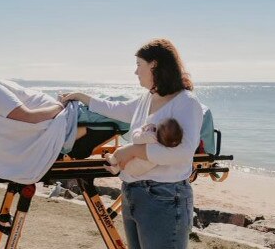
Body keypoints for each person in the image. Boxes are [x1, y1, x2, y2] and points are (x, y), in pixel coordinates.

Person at [61, 38, 203, 248]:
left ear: (154, 64)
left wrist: (133, 150)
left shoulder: (186, 102)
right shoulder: (147, 98)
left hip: (164, 197)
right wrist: (82, 97)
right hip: (133, 192)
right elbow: (116, 108)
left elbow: (183, 152)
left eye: (138, 65)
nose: (135, 72)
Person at [0, 46, 128, 184]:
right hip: (72, 119)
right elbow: (27, 116)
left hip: (70, 118)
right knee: (132, 110)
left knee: (132, 108)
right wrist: (61, 106)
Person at [105, 118, 183, 176]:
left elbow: (135, 138)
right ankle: (115, 169)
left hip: (132, 164)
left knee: (121, 150)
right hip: (139, 169)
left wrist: (141, 129)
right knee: (125, 162)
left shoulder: (151, 137)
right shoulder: (163, 146)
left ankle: (111, 159)